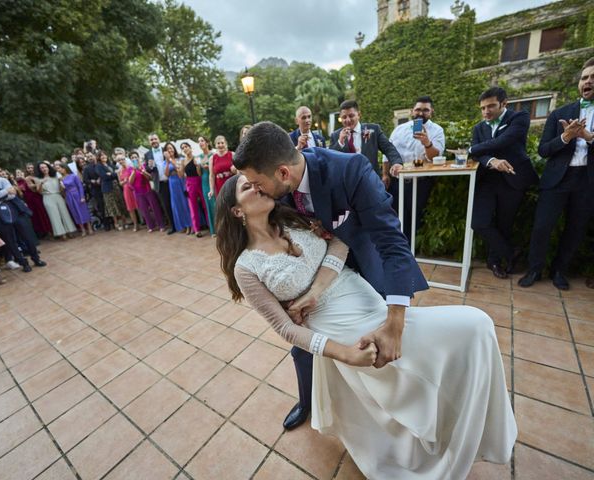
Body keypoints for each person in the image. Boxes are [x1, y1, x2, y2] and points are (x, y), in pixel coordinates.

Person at [216, 170, 517, 479]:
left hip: (363, 295)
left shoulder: (294, 219)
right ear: (237, 210)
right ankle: (412, 447)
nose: (258, 186)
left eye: (256, 180)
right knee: (407, 373)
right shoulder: (246, 267)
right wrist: (343, 353)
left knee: (468, 330)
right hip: (337, 326)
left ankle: (450, 425)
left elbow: (339, 244)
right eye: (246, 187)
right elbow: (285, 328)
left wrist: (317, 288)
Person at [235, 121, 428, 432]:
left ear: (284, 173)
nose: (256, 189)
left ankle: (392, 408)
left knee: (381, 334)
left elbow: (392, 242)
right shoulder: (272, 190)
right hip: (312, 274)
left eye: (257, 183)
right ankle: (308, 402)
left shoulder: (350, 169)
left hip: (363, 263)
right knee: (303, 348)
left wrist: (395, 320)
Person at [519, 58, 594, 290]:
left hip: (587, 181)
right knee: (543, 226)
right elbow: (543, 149)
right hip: (557, 179)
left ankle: (559, 271)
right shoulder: (560, 113)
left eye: (593, 78)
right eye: (585, 78)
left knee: (576, 228)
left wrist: (588, 137)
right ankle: (534, 269)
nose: (588, 82)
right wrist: (566, 137)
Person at [468, 87, 539, 279]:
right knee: (479, 222)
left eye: (490, 106)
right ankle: (511, 253)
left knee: (504, 224)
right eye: (482, 108)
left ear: (504, 103)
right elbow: (479, 156)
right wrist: (491, 161)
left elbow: (505, 141)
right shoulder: (478, 128)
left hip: (513, 178)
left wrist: (473, 148)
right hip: (488, 180)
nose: (486, 112)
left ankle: (494, 262)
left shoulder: (520, 117)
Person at [384, 96, 446, 244]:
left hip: (420, 183)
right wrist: (385, 174)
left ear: (431, 112)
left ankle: (410, 250)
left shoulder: (437, 130)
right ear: (412, 111)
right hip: (397, 181)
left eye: (425, 110)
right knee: (395, 217)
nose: (421, 113)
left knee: (415, 218)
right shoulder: (399, 129)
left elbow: (435, 157)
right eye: (418, 109)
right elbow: (388, 153)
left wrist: (427, 143)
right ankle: (397, 248)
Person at [0, 163, 46, 272]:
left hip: (14, 210)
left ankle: (36, 259)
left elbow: (12, 194)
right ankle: (23, 263)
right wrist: (4, 192)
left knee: (27, 236)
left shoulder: (2, 180)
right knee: (10, 241)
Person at [329, 99, 403, 179]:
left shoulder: (373, 130)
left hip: (371, 180)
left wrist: (396, 163)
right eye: (344, 117)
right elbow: (330, 159)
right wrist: (340, 142)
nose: (348, 120)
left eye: (351, 116)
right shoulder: (335, 135)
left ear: (359, 114)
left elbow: (388, 148)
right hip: (347, 183)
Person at [36, 162, 76, 240]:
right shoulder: (38, 179)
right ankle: (61, 234)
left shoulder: (55, 175)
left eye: (45, 167)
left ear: (48, 167)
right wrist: (41, 183)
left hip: (58, 195)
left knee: (64, 213)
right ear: (39, 170)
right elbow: (39, 192)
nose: (44, 169)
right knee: (54, 216)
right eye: (42, 168)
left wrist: (61, 185)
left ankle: (70, 231)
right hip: (47, 197)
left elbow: (61, 188)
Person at [144, 133, 175, 234]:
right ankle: (173, 226)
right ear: (149, 142)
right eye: (151, 140)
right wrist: (150, 166)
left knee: (176, 202)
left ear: (159, 139)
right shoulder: (147, 154)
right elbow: (148, 169)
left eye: (155, 139)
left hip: (172, 180)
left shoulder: (165, 150)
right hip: (160, 183)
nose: (153, 141)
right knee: (166, 205)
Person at [131, 151, 165, 233]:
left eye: (136, 157)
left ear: (139, 158)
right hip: (138, 192)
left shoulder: (145, 166)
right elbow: (130, 181)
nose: (134, 159)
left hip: (148, 190)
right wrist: (134, 171)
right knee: (144, 210)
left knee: (155, 207)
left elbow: (150, 178)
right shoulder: (130, 169)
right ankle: (150, 226)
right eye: (132, 158)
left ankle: (161, 225)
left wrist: (143, 171)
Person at [163, 142, 191, 234]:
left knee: (185, 203)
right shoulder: (165, 162)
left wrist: (171, 161)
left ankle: (190, 224)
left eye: (171, 148)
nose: (170, 150)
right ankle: (182, 225)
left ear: (174, 149)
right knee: (177, 204)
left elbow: (180, 171)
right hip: (172, 183)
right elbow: (166, 174)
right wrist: (167, 162)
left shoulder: (181, 159)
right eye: (167, 149)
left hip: (182, 181)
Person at [180, 142, 207, 237]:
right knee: (193, 207)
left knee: (205, 205)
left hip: (199, 182)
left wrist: (197, 166)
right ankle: (197, 230)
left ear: (190, 148)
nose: (185, 149)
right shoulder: (183, 161)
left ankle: (211, 226)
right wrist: (179, 167)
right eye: (183, 148)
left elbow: (199, 173)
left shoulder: (197, 157)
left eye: (186, 146)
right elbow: (180, 175)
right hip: (190, 184)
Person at [18, 164, 52, 238]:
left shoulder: (39, 175)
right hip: (33, 198)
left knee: (46, 213)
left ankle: (51, 230)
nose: (30, 169)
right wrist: (40, 182)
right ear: (26, 169)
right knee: (40, 214)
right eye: (28, 168)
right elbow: (31, 187)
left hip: (42, 195)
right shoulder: (28, 178)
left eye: (32, 168)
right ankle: (47, 232)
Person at [58, 164, 93, 236]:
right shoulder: (60, 179)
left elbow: (80, 186)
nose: (59, 170)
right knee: (75, 212)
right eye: (58, 169)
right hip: (68, 196)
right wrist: (61, 185)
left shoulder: (73, 176)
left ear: (65, 168)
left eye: (60, 168)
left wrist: (82, 196)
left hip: (77, 194)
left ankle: (89, 228)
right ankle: (83, 229)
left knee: (83, 211)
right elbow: (62, 191)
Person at [96, 150, 127, 231]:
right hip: (107, 189)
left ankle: (125, 222)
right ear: (99, 158)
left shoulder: (110, 164)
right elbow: (104, 177)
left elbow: (119, 172)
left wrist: (112, 174)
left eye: (104, 155)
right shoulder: (98, 166)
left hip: (116, 187)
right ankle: (116, 224)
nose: (103, 157)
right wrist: (115, 173)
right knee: (112, 207)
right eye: (101, 155)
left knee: (120, 204)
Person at [116, 150, 139, 231]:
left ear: (125, 159)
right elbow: (120, 183)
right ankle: (135, 224)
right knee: (131, 208)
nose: (121, 161)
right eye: (119, 160)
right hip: (126, 190)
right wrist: (124, 181)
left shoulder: (131, 167)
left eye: (122, 159)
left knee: (139, 205)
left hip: (134, 188)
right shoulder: (119, 171)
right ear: (117, 162)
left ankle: (145, 221)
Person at [82, 152, 107, 229]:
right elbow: (85, 180)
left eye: (91, 156)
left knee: (108, 205)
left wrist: (100, 178)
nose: (90, 158)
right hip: (96, 190)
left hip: (105, 187)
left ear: (95, 156)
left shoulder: (101, 165)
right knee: (101, 207)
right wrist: (92, 181)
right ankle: (106, 224)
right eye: (88, 156)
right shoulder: (86, 168)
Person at [198, 136, 216, 236]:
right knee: (208, 205)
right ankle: (213, 230)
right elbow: (199, 173)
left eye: (202, 141)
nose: (200, 143)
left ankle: (222, 228)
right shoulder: (199, 157)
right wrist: (198, 166)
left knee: (216, 204)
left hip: (213, 180)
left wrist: (209, 167)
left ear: (207, 142)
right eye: (199, 141)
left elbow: (216, 168)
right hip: (204, 181)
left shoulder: (213, 154)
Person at [209, 135, 235, 199]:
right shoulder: (212, 158)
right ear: (215, 145)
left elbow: (240, 170)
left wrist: (235, 169)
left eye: (222, 143)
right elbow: (211, 175)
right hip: (220, 186)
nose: (220, 145)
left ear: (225, 144)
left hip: (232, 183)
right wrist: (211, 189)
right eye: (218, 143)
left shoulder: (232, 154)